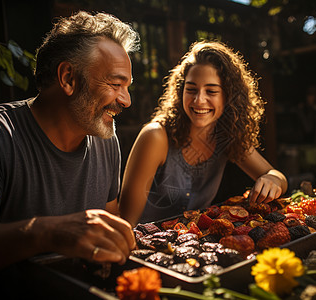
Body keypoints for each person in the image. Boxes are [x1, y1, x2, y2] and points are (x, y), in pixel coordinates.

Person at [0, 11, 140, 278]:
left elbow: (111, 229)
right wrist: (48, 232)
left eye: (127, 86)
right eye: (115, 84)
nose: (126, 100)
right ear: (68, 78)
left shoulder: (107, 140)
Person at [119, 41, 288, 225]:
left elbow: (277, 176)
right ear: (180, 91)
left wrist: (272, 179)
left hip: (194, 246)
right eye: (191, 89)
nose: (199, 100)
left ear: (228, 96)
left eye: (211, 91)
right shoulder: (156, 136)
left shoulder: (226, 136)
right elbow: (126, 223)